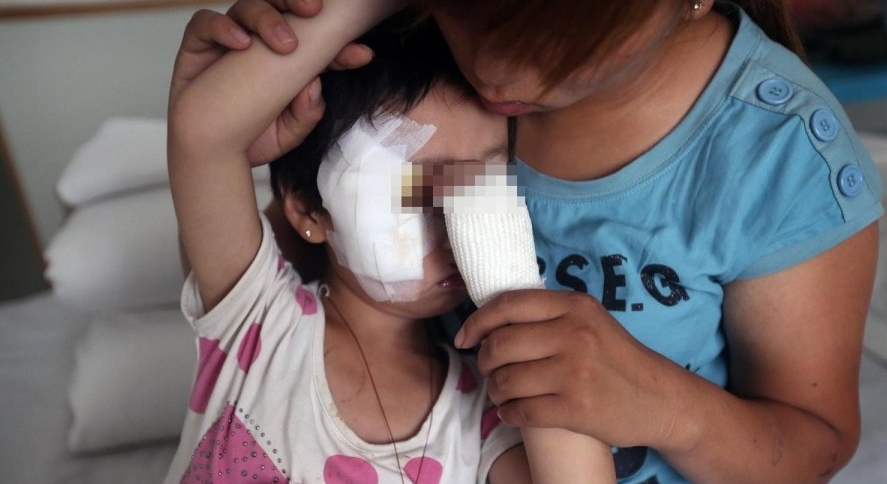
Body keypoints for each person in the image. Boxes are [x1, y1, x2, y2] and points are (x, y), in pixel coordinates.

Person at [175, 0, 885, 483]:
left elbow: (811, 442)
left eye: (490, 176)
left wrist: (650, 398)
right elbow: (216, 151)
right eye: (465, 7)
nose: (495, 74)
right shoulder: (263, 330)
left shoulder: (487, 418)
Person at [165, 8, 615, 484]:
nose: (461, 225)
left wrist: (512, 286)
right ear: (309, 211)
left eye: (485, 186)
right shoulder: (258, 322)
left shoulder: (481, 418)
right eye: (416, 190)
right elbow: (203, 132)